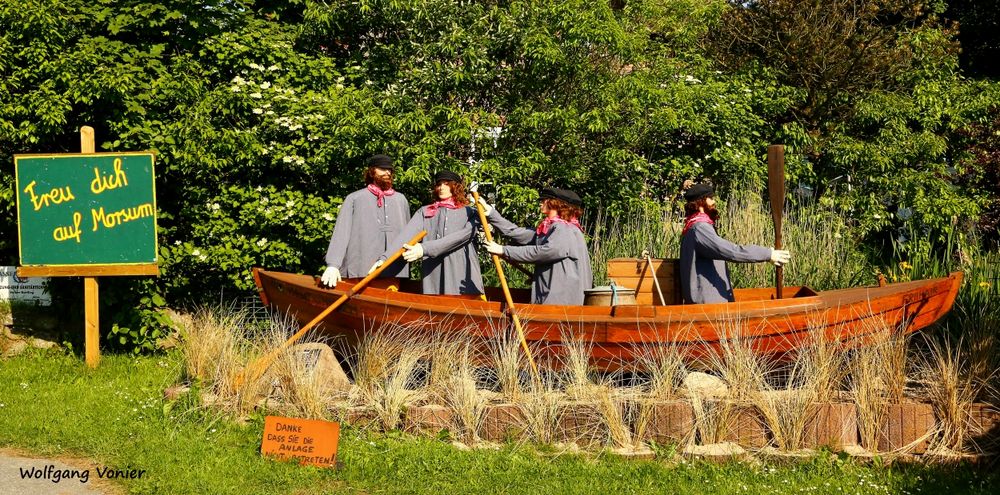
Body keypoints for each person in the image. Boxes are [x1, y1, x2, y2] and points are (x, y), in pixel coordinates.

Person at [369, 170, 484, 295]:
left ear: (456, 187)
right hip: (433, 270)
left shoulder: (470, 213)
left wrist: (424, 249)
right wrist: (384, 258)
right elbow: (405, 236)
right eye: (439, 184)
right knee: (433, 307)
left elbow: (460, 238)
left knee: (465, 307)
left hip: (460, 269)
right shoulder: (425, 212)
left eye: (446, 184)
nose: (441, 188)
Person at [679, 182, 791, 304]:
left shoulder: (693, 227)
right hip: (708, 306)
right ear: (701, 202)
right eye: (710, 198)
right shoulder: (700, 229)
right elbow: (732, 251)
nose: (714, 202)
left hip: (707, 303)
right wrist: (767, 254)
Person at [478, 186, 593, 305]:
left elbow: (545, 252)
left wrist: (504, 250)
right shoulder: (551, 227)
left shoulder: (564, 229)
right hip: (553, 297)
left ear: (554, 204)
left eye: (544, 200)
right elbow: (516, 232)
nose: (540, 203)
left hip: (561, 300)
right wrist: (491, 213)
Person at [320, 154, 411, 287]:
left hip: (393, 270)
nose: (387, 172)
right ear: (372, 171)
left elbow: (408, 234)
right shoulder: (355, 198)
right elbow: (341, 233)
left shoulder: (401, 200)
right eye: (382, 169)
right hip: (359, 268)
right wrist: (333, 264)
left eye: (389, 170)